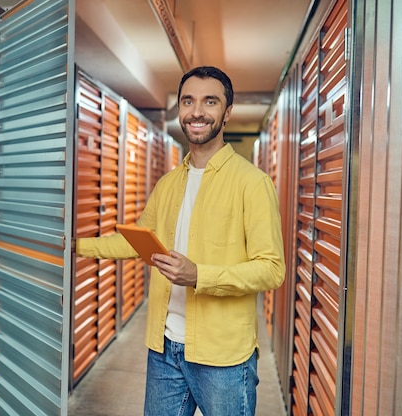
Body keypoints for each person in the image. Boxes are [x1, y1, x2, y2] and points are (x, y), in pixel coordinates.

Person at [76, 66, 285, 416]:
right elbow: (137, 243)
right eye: (188, 101)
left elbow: (271, 269)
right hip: (164, 348)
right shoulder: (169, 183)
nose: (197, 111)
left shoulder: (252, 183)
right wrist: (75, 246)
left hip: (223, 357)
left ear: (227, 112)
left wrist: (199, 275)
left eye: (210, 101)